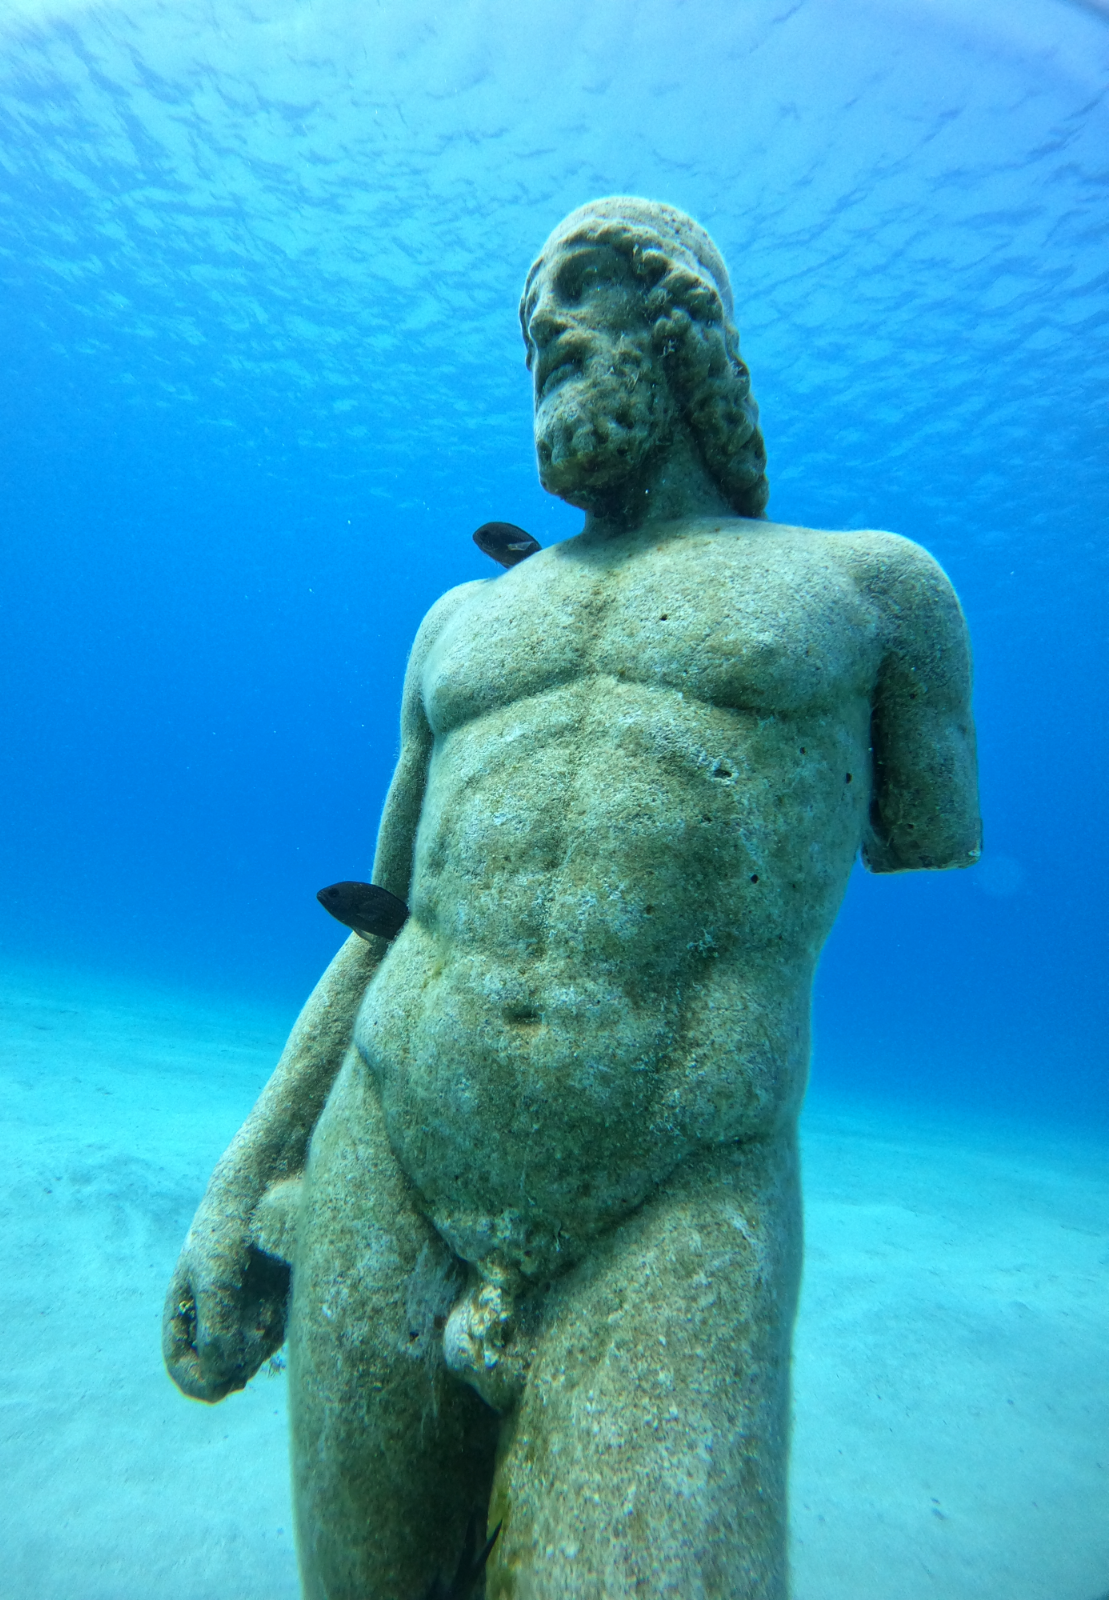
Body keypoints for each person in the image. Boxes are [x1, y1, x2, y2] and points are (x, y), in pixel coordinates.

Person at [163, 196, 981, 1599]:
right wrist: (246, 1176)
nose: (543, 326)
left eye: (587, 291)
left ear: (693, 334)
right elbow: (386, 917)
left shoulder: (875, 596)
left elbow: (926, 831)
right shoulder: (459, 623)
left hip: (677, 1191)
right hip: (388, 1156)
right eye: (530, 318)